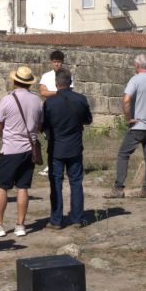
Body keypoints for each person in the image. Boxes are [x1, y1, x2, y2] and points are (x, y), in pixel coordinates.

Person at [0, 66, 43, 237]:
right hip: (29, 149)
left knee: (3, 187)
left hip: (10, 149)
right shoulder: (37, 101)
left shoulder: (8, 100)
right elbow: (39, 125)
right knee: (23, 187)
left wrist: (5, 135)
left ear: (15, 81)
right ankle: (20, 225)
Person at [109, 54, 146, 198]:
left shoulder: (135, 80)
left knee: (123, 154)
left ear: (137, 65)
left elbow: (126, 100)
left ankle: (119, 188)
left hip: (138, 125)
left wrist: (129, 119)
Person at [41, 67, 93, 229]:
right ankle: (77, 218)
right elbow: (88, 120)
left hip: (56, 147)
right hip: (75, 146)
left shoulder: (50, 102)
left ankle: (56, 219)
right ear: (70, 83)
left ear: (56, 84)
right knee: (76, 182)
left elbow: (44, 125)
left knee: (56, 183)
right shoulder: (81, 99)